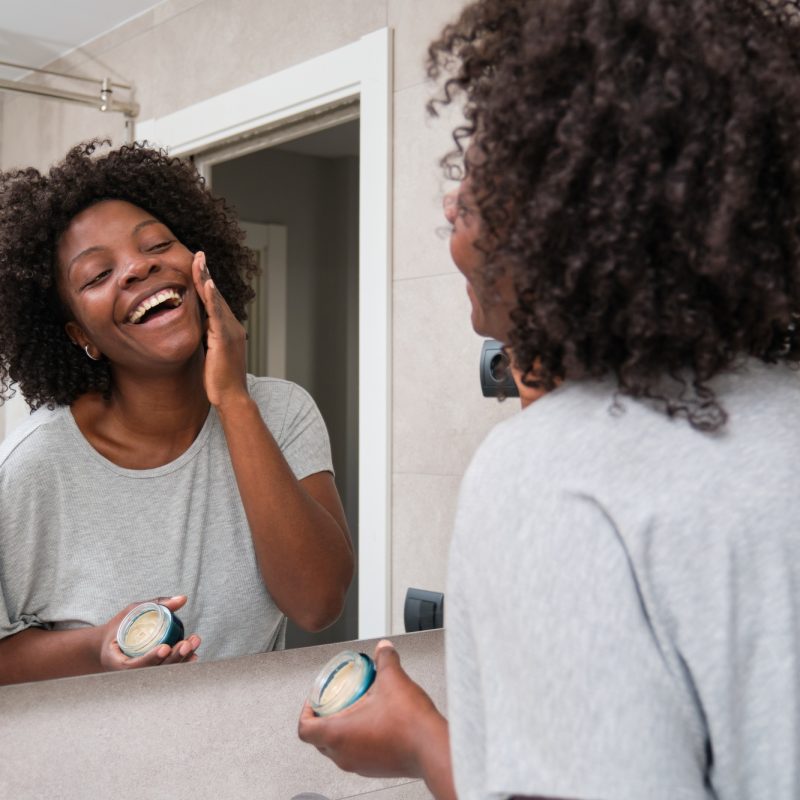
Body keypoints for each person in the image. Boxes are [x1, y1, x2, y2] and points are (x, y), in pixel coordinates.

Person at [298, 0, 800, 798]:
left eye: (484, 172)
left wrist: (426, 746)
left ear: (574, 215)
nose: (451, 206)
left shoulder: (550, 475)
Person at [0, 141, 354, 685]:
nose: (138, 267)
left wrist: (234, 401)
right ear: (79, 336)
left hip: (248, 755)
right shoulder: (34, 467)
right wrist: (96, 648)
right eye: (97, 275)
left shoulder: (281, 412)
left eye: (157, 244)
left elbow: (316, 603)